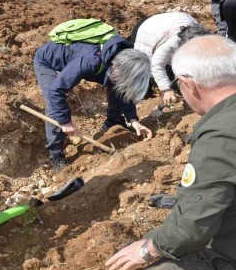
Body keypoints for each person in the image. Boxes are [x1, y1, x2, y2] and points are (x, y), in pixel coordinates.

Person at [106, 35, 236, 270]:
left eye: (179, 85)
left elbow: (192, 229)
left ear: (190, 85)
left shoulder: (223, 136)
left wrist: (148, 249)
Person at [33, 33, 153, 171]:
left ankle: (113, 122)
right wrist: (65, 122)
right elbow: (56, 91)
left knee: (115, 85)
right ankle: (56, 154)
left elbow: (122, 88)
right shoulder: (91, 60)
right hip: (48, 61)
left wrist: (133, 120)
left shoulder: (121, 59)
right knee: (53, 103)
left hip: (82, 62)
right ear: (117, 67)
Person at [132, 12, 211, 105]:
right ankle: (144, 93)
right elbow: (157, 64)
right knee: (145, 67)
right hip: (147, 28)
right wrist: (166, 89)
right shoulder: (172, 42)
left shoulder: (205, 39)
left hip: (175, 19)